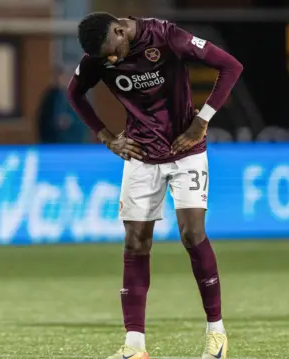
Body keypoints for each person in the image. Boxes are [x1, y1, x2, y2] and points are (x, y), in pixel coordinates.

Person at [67, 13, 243, 359]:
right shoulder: (98, 59)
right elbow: (75, 94)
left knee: (192, 234)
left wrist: (201, 122)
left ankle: (216, 334)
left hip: (186, 150)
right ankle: (134, 346)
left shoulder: (165, 36)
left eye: (112, 52)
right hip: (141, 155)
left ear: (119, 30)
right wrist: (106, 137)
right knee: (135, 242)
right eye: (105, 59)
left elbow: (231, 67)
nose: (112, 61)